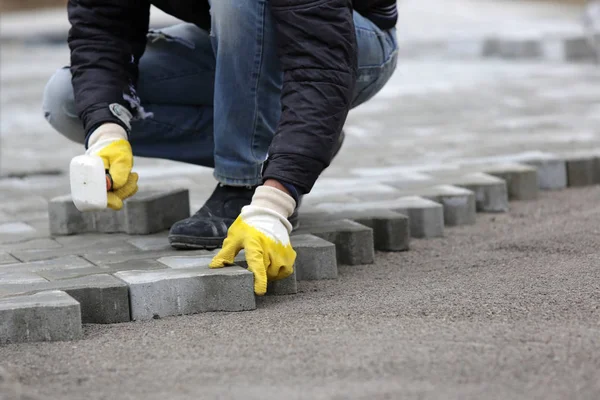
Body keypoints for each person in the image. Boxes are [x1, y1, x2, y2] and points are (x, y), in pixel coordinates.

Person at [42, 0, 398, 295]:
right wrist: (107, 133)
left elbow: (321, 64)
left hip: (350, 42)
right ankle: (291, 139)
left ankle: (246, 178)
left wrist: (276, 200)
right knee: (69, 101)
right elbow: (102, 30)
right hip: (244, 33)